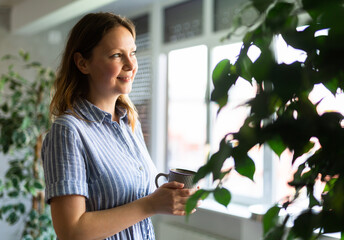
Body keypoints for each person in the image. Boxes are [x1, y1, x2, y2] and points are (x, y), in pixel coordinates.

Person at [42, 12, 198, 240]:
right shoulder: (68, 131)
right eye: (116, 55)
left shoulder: (129, 123)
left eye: (132, 53)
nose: (131, 64)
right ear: (82, 63)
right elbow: (71, 231)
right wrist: (151, 205)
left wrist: (169, 199)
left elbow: (133, 200)